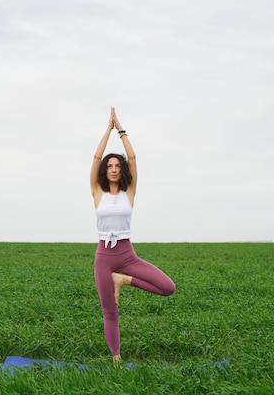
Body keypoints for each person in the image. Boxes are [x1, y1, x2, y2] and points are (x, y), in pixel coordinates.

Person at [90, 107, 176, 363]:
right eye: (110, 166)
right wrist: (107, 130)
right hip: (104, 256)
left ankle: (122, 281)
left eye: (118, 166)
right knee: (110, 312)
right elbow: (96, 158)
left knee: (167, 287)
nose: (114, 169)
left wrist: (122, 131)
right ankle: (116, 361)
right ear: (105, 170)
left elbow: (134, 158)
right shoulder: (97, 192)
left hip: (127, 255)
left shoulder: (130, 192)